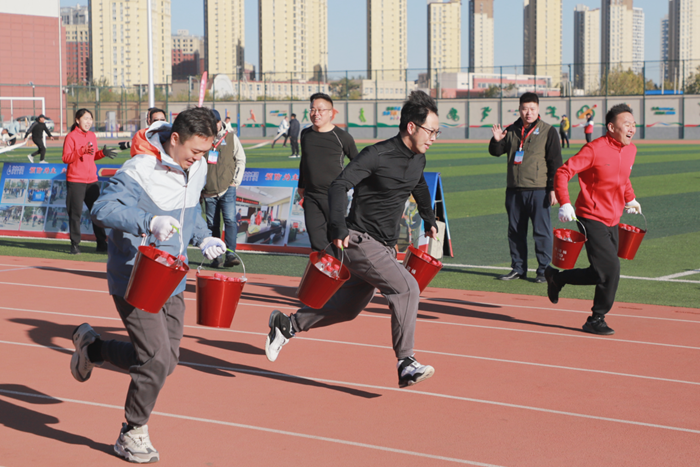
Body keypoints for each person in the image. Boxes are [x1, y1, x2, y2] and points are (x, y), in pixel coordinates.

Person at [69, 108, 226, 463]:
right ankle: (131, 433)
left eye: (204, 152)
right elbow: (101, 209)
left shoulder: (197, 166)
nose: (199, 158)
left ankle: (93, 349)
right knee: (155, 359)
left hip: (173, 276)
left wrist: (203, 237)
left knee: (166, 362)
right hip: (134, 276)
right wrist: (147, 221)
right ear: (175, 138)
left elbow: (190, 210)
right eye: (195, 151)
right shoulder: (139, 169)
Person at [265, 91, 440, 389]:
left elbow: (419, 185)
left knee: (347, 309)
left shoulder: (418, 159)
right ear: (411, 127)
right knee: (406, 287)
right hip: (359, 240)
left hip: (385, 246)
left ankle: (288, 324)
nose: (433, 138)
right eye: (430, 131)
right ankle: (406, 362)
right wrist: (338, 228)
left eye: (437, 132)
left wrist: (429, 217)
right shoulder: (376, 154)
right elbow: (339, 185)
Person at [545, 104, 641, 336]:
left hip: (613, 218)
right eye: (626, 124)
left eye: (633, 124)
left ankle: (557, 278)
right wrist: (565, 202)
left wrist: (630, 198)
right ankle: (596, 318)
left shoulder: (631, 150)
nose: (632, 128)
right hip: (590, 216)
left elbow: (622, 177)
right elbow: (563, 172)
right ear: (611, 127)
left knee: (600, 272)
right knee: (611, 269)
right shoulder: (594, 149)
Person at [489, 92, 562, 283]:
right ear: (519, 110)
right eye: (524, 109)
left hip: (539, 190)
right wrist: (496, 140)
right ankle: (518, 268)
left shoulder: (548, 131)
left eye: (532, 109)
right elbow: (496, 152)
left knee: (541, 232)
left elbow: (555, 162)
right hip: (514, 190)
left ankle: (544, 270)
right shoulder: (512, 130)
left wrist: (553, 188)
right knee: (515, 232)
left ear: (538, 109)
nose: (528, 112)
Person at [296, 92, 358, 251]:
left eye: (320, 110)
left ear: (331, 112)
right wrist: (301, 185)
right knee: (317, 240)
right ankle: (327, 266)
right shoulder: (306, 134)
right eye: (312, 109)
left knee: (335, 238)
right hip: (311, 195)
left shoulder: (342, 137)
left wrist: (349, 185)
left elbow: (358, 163)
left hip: (334, 196)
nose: (315, 113)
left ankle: (339, 265)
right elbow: (304, 161)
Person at [62, 109, 117, 254]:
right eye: (85, 118)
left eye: (90, 119)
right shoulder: (71, 137)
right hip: (76, 180)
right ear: (77, 120)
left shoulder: (92, 135)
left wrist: (102, 153)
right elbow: (66, 158)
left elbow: (92, 156)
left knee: (97, 213)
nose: (88, 122)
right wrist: (81, 150)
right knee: (75, 214)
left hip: (92, 180)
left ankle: (101, 243)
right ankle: (75, 244)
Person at [202, 109, 247, 268]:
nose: (213, 125)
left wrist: (235, 182)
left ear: (220, 122)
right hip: (208, 190)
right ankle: (216, 257)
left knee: (230, 220)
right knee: (212, 225)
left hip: (227, 187)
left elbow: (241, 159)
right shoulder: (202, 139)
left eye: (215, 122)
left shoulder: (231, 137)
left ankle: (230, 254)